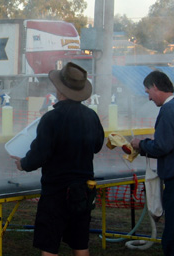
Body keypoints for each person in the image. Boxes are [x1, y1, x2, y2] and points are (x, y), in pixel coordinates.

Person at [11, 62, 104, 256]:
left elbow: (39, 154)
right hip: (83, 190)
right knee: (80, 244)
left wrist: (23, 164)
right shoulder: (91, 116)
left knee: (50, 245)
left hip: (56, 191)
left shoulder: (51, 119)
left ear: (59, 89)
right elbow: (97, 146)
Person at [131, 70, 174, 255]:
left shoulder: (168, 110)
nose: (149, 98)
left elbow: (163, 147)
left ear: (155, 87)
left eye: (147, 92)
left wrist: (141, 144)